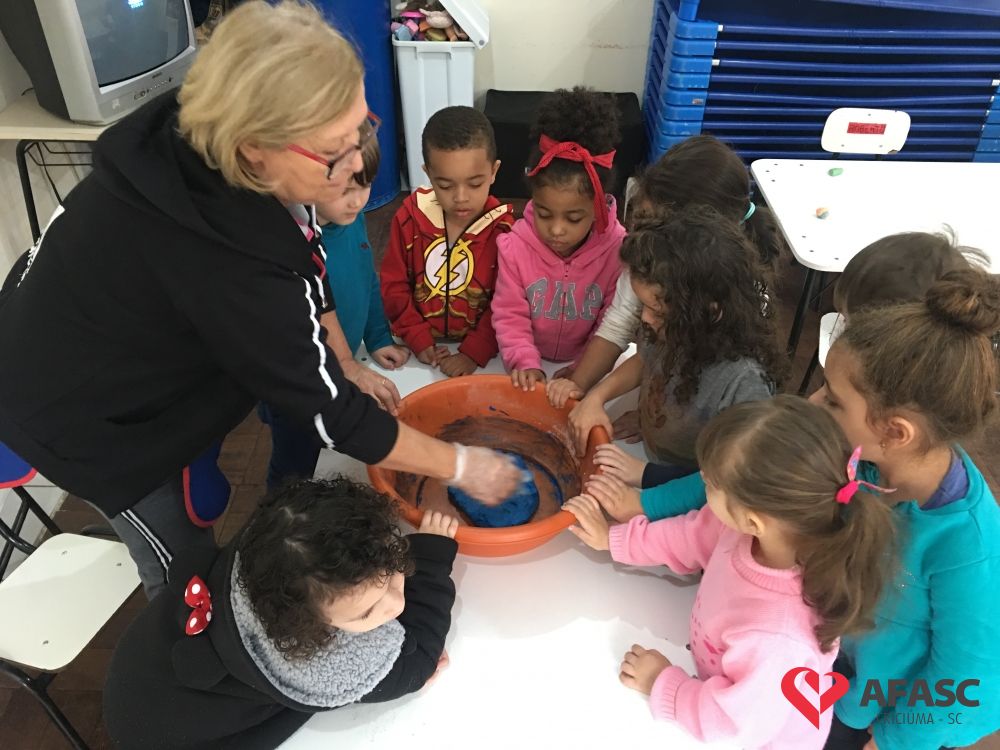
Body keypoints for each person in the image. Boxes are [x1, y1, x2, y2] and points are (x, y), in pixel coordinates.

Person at [0, 1, 518, 598]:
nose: (357, 165)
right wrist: (463, 466)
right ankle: (186, 639)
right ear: (254, 150)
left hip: (132, 341)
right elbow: (334, 417)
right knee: (183, 570)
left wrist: (345, 362)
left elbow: (305, 257)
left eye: (361, 129)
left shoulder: (221, 138)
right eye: (335, 154)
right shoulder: (224, 257)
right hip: (78, 415)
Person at [590, 267, 1000, 750]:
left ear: (895, 432)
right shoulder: (856, 454)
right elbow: (738, 478)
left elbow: (969, 687)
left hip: (868, 718)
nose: (814, 400)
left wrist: (890, 741)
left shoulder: (969, 548)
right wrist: (646, 497)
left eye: (835, 400)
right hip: (802, 674)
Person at [566, 396, 895, 749]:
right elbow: (688, 536)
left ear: (752, 520)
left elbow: (729, 722)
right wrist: (612, 539)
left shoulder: (778, 638)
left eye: (710, 484)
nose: (702, 486)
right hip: (731, 688)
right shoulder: (754, 530)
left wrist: (664, 683)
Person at [104, 477, 460, 749]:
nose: (396, 605)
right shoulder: (314, 665)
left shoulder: (276, 546)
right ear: (310, 627)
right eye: (366, 613)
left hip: (141, 667)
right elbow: (416, 667)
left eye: (395, 572)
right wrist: (430, 561)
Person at [546, 134, 786, 411]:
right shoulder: (656, 254)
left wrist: (656, 415)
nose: (642, 234)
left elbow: (725, 412)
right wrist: (582, 387)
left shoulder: (741, 352)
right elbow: (638, 343)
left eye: (655, 226)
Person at [568, 208, 786, 486]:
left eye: (657, 311)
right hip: (649, 453)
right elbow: (644, 360)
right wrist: (596, 397)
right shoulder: (678, 328)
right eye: (643, 306)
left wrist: (646, 475)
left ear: (709, 311)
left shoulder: (745, 382)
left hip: (688, 487)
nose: (645, 319)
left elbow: (728, 478)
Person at [258, 130, 409, 491]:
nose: (358, 201)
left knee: (329, 456)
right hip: (298, 385)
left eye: (366, 185)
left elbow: (366, 279)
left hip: (342, 366)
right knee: (294, 466)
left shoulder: (352, 219)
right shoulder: (285, 243)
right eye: (344, 190)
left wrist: (377, 337)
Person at [490, 87, 627, 393]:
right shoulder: (515, 247)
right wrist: (524, 361)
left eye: (573, 218)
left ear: (598, 207)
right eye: (544, 214)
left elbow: (611, 321)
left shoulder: (617, 251)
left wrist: (583, 370)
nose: (556, 230)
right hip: (526, 365)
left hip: (588, 369)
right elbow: (509, 314)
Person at [380, 106, 514, 378]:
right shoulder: (408, 219)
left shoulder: (506, 231)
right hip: (414, 351)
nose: (461, 197)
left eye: (474, 184)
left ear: (494, 171)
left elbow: (508, 300)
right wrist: (417, 338)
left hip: (487, 354)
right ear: (428, 174)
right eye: (445, 185)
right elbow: (393, 286)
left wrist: (474, 352)